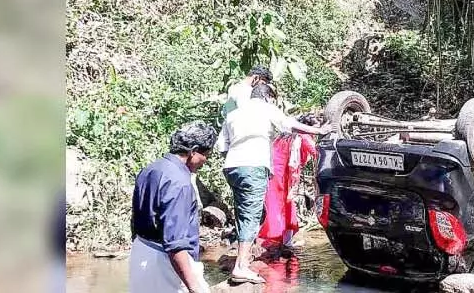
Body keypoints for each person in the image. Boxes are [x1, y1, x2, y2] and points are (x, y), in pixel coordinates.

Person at [217, 84, 330, 284]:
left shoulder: (233, 114)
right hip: (254, 166)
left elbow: (222, 146)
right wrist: (319, 130)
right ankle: (241, 267)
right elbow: (291, 124)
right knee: (252, 215)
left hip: (232, 167)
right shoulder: (265, 107)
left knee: (251, 212)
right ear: (268, 97)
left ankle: (247, 252)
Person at [129, 121, 216, 293]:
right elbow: (175, 244)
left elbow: (135, 218)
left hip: (140, 251)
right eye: (206, 155)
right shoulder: (179, 182)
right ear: (193, 151)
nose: (205, 161)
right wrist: (194, 287)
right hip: (164, 264)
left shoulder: (151, 169)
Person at [258, 114, 319, 254]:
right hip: (282, 173)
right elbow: (317, 153)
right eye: (315, 129)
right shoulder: (304, 136)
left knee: (281, 204)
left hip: (275, 171)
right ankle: (278, 239)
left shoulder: (285, 135)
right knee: (281, 204)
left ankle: (282, 240)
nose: (316, 133)